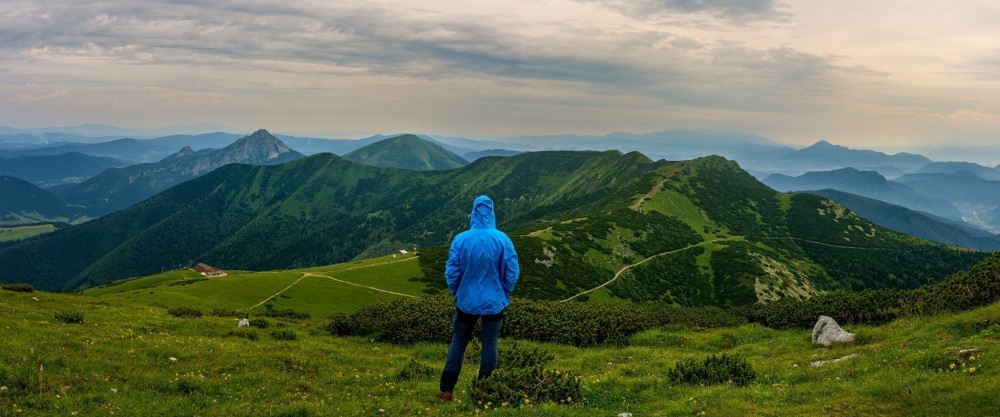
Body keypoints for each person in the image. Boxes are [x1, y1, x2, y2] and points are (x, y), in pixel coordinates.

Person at [437, 195, 520, 401]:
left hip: (466, 301)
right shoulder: (502, 239)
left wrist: (457, 292)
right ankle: (484, 390)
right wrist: (505, 291)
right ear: (492, 214)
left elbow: (451, 272)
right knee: (490, 342)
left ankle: (446, 389)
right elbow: (512, 271)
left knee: (459, 340)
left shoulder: (461, 239)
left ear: (473, 213)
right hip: (494, 302)